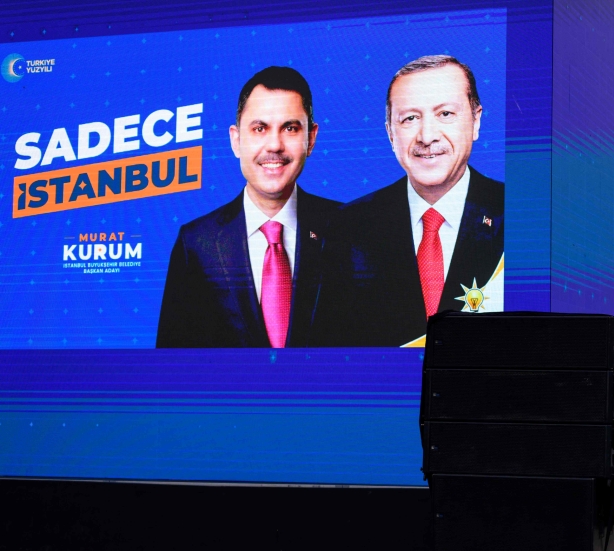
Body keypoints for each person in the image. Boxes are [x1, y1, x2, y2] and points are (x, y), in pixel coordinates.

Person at [324, 55, 504, 347]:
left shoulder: (518, 214)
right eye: (410, 118)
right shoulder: (347, 226)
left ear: (475, 121)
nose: (427, 136)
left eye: (445, 114)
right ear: (390, 133)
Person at [157, 67, 339, 348]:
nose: (274, 145)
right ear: (236, 140)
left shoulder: (348, 229)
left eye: (290, 128)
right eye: (259, 128)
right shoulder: (196, 243)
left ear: (311, 138)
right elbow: (172, 362)